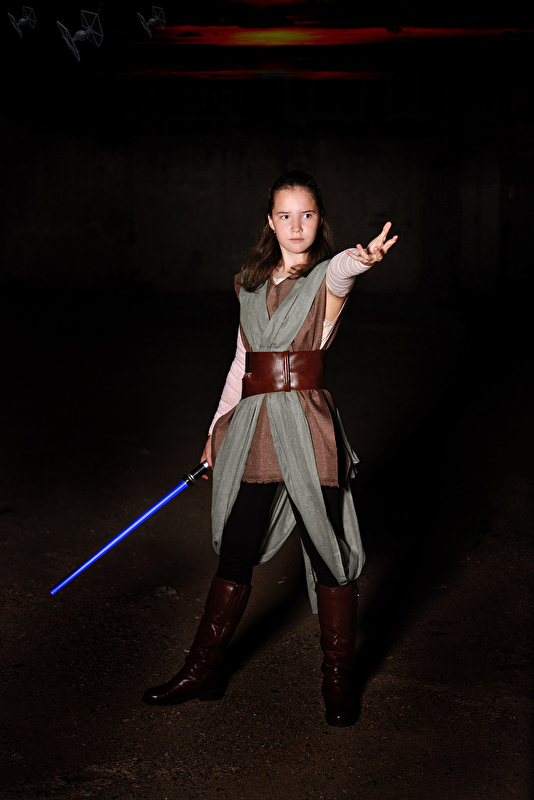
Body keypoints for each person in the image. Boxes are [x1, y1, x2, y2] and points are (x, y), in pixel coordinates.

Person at [143, 170, 397, 726]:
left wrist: (363, 259)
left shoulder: (327, 278)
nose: (296, 225)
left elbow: (344, 270)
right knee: (237, 545)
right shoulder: (249, 285)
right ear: (270, 222)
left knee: (326, 549)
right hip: (254, 425)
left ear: (320, 221)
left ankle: (338, 679)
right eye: (285, 215)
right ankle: (204, 667)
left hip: (306, 424)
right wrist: (216, 430)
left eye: (307, 214)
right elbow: (243, 363)